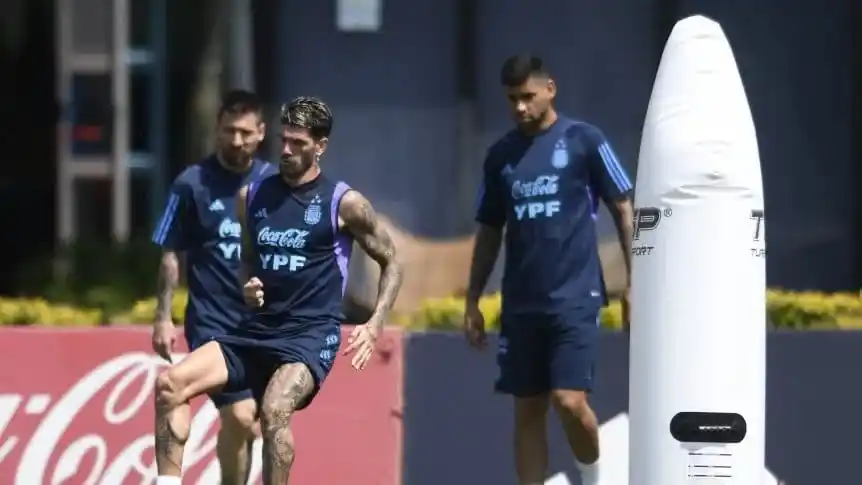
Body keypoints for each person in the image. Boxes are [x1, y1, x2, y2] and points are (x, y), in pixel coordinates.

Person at [153, 96, 403, 485]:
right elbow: (248, 260)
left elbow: (392, 262)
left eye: (298, 143)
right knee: (170, 384)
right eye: (284, 140)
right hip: (254, 330)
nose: (286, 150)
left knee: (274, 409)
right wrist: (248, 284)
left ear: (320, 146)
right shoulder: (251, 196)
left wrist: (375, 323)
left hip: (308, 336)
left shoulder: (345, 203)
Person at [463, 54, 635, 485]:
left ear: (550, 90)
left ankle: (595, 477)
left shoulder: (584, 140)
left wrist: (638, 283)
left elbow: (625, 209)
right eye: (511, 99)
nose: (519, 107)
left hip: (575, 298)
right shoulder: (500, 155)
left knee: (569, 400)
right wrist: (472, 299)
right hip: (521, 303)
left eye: (527, 97)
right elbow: (487, 232)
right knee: (527, 410)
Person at [151, 89, 275, 484]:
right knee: (173, 387)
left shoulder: (275, 184)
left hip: (256, 328)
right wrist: (162, 317)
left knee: (242, 420)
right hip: (209, 320)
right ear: (217, 130)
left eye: (244, 132)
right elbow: (171, 254)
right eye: (227, 131)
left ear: (260, 133)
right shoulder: (192, 183)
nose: (235, 141)